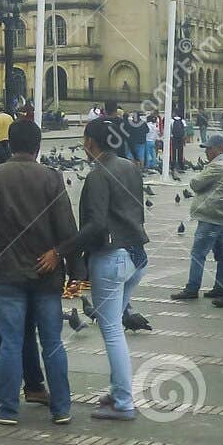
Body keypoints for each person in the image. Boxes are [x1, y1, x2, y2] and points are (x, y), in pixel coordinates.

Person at [0, 117, 75, 425]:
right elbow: (67, 227)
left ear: (9, 144)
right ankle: (61, 408)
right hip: (46, 273)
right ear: (38, 147)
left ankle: (9, 408)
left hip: (7, 273)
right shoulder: (52, 178)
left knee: (10, 342)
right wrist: (65, 260)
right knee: (52, 342)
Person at [73, 116, 149, 421]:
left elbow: (96, 225)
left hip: (112, 257)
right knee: (115, 321)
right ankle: (118, 388)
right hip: (137, 255)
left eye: (84, 140)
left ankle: (123, 401)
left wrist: (67, 249)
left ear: (91, 143)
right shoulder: (130, 166)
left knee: (112, 330)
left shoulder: (98, 175)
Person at [172, 132, 223, 301]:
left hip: (211, 216)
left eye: (210, 148)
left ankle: (192, 288)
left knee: (198, 253)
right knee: (222, 254)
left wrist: (197, 182)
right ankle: (221, 286)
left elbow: (195, 183)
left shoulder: (217, 166)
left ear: (220, 149)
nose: (207, 152)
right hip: (220, 216)